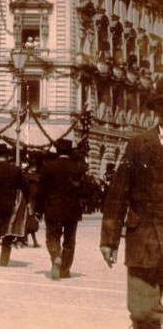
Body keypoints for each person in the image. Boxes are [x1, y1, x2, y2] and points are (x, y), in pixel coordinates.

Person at [101, 79, 163, 328]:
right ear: (158, 110)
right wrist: (109, 240)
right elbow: (118, 194)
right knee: (143, 314)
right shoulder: (138, 145)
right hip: (144, 240)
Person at [35, 138, 84, 279]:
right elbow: (85, 188)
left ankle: (56, 255)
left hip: (52, 208)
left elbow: (41, 191)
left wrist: (38, 209)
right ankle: (65, 270)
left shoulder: (48, 167)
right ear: (70, 151)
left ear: (57, 151)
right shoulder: (77, 168)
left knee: (52, 236)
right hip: (72, 210)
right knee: (69, 241)